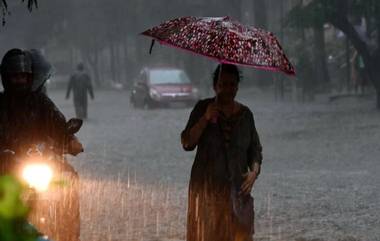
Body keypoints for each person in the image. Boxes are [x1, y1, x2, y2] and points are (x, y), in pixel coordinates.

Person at [181, 64, 263, 241]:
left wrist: (253, 173)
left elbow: (255, 150)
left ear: (237, 86)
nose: (227, 89)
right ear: (215, 86)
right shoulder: (203, 108)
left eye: (232, 84)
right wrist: (205, 119)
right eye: (223, 84)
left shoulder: (246, 115)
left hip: (237, 192)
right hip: (206, 191)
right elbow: (187, 142)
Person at [0, 48, 82, 155]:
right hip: (6, 164)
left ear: (29, 78)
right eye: (15, 77)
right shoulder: (1, 103)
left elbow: (57, 123)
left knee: (68, 171)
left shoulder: (40, 100)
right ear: (7, 78)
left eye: (23, 76)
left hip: (40, 157)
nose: (19, 80)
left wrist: (70, 139)